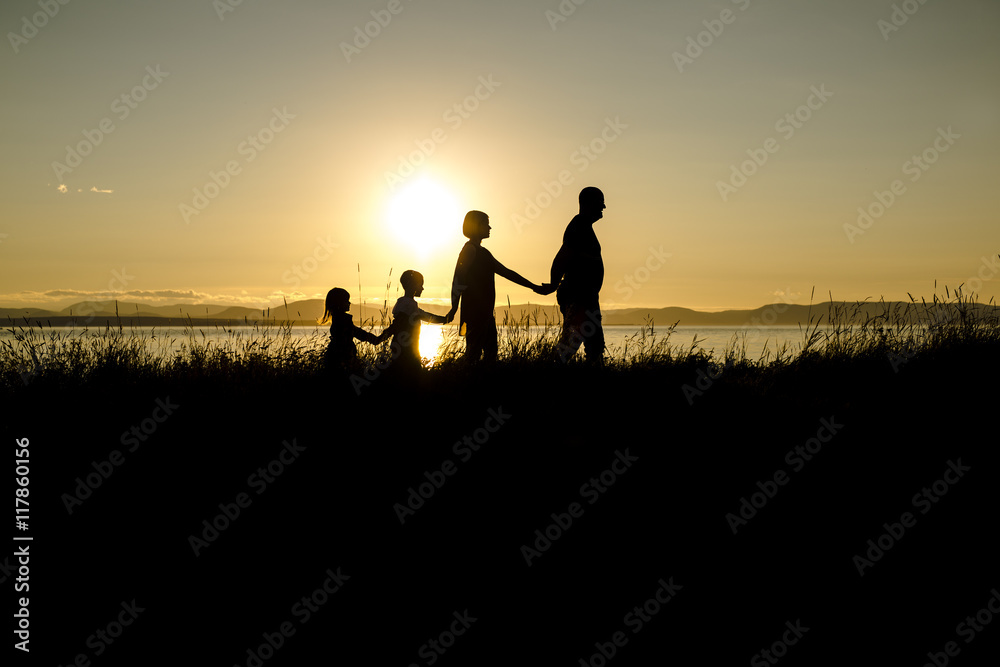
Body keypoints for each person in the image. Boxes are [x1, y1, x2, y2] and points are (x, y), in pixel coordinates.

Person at [447, 210, 554, 363]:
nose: (490, 228)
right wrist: (454, 307)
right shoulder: (470, 249)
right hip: (475, 312)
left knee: (490, 353)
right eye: (486, 224)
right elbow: (458, 278)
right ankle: (466, 383)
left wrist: (534, 287)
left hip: (485, 313)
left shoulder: (484, 253)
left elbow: (507, 273)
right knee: (474, 354)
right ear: (476, 225)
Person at [549, 187, 607, 363]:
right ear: (589, 203)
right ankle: (547, 376)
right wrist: (553, 285)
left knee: (595, 345)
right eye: (600, 202)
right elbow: (560, 259)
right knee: (569, 345)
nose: (604, 207)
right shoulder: (579, 226)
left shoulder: (584, 226)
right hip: (578, 296)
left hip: (587, 296)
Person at [386, 270, 448, 369]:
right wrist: (445, 319)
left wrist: (444, 319)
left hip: (400, 349)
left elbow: (423, 314)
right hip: (407, 352)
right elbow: (425, 316)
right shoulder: (409, 305)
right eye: (420, 285)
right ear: (413, 285)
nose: (422, 288)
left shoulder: (403, 303)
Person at [321, 287, 389, 374]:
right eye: (346, 300)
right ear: (339, 303)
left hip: (336, 361)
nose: (349, 303)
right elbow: (362, 335)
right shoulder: (344, 321)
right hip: (343, 363)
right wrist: (384, 336)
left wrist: (378, 338)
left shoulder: (339, 320)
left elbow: (361, 334)